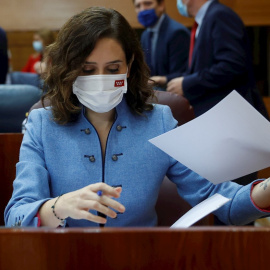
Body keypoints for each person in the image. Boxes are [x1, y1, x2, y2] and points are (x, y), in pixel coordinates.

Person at [4, 7, 270, 228]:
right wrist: (57, 207)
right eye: (87, 69)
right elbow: (16, 217)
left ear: (129, 67)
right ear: (69, 69)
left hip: (141, 257)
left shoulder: (160, 122)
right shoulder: (42, 124)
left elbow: (220, 200)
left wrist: (267, 189)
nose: (101, 79)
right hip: (64, 259)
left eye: (113, 68)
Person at [167, 0, 268, 120]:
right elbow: (202, 67)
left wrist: (187, 84)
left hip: (232, 115)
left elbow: (231, 66)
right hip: (220, 114)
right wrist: (166, 80)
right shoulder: (205, 20)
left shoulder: (220, 15)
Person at [133, 0, 190, 91]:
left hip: (172, 92)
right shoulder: (145, 35)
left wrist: (160, 80)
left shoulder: (177, 33)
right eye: (138, 6)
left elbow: (183, 74)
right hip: (153, 91)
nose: (143, 9)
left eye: (148, 3)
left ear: (161, 5)